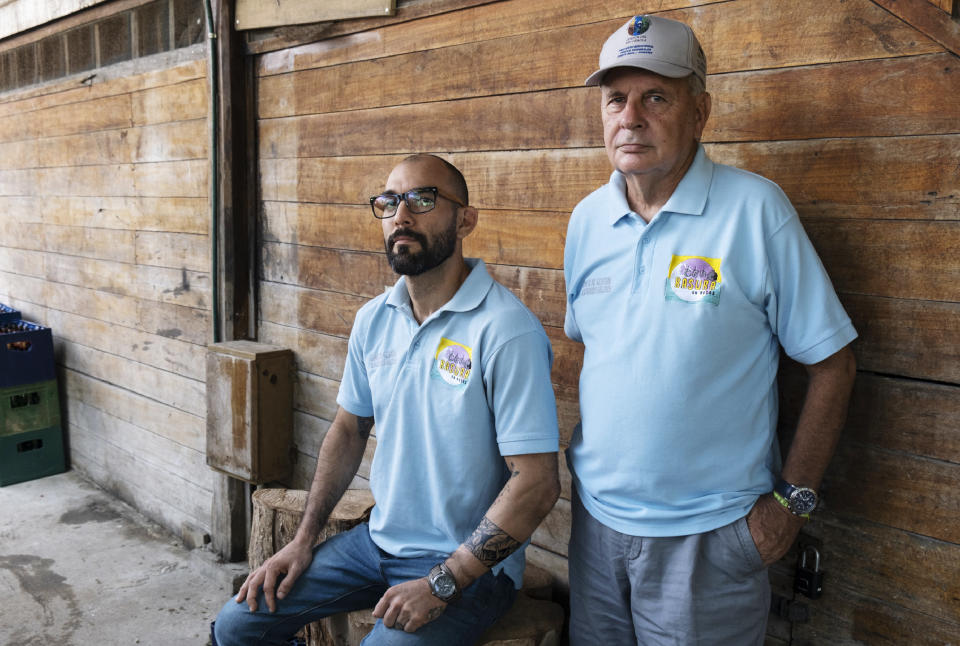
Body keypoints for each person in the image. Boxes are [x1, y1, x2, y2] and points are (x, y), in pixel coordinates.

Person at [563, 14, 858, 645]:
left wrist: (790, 509)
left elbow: (834, 364)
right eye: (616, 99)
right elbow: (593, 347)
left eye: (656, 97)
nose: (631, 117)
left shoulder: (756, 211)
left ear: (701, 112)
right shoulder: (587, 220)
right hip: (595, 530)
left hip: (710, 540)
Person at [213, 154, 561, 645]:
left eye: (423, 199)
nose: (402, 214)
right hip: (376, 545)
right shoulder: (374, 318)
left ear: (466, 219)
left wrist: (445, 580)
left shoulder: (505, 330)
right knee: (237, 627)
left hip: (468, 568)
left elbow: (538, 481)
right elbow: (348, 429)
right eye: (389, 201)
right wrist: (303, 542)